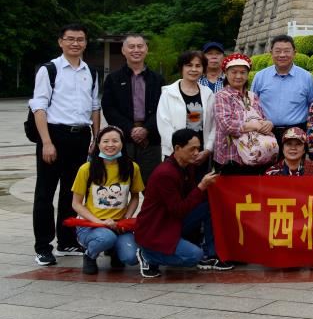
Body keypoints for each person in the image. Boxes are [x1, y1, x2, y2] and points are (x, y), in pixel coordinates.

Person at [135, 129, 229, 278]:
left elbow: (190, 199)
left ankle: (210, 254)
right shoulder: (165, 173)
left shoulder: (187, 166)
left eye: (198, 148)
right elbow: (178, 210)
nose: (196, 153)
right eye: (192, 149)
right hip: (158, 226)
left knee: (208, 207)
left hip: (174, 219)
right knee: (194, 256)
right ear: (177, 148)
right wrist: (201, 187)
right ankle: (148, 256)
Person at [71, 125, 143, 274]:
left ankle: (114, 249)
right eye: (105, 141)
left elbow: (135, 197)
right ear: (98, 144)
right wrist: (100, 222)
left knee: (131, 258)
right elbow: (76, 204)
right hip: (91, 225)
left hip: (119, 225)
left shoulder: (132, 167)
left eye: (115, 141)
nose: (110, 145)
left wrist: (126, 219)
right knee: (106, 238)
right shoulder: (86, 169)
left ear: (122, 143)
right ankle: (90, 254)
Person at [101, 33, 164, 182]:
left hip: (151, 139)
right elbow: (109, 109)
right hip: (122, 139)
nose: (136, 50)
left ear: (146, 49)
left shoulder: (157, 79)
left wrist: (146, 129)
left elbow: (163, 109)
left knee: (152, 184)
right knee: (120, 184)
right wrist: (130, 129)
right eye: (131, 47)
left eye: (140, 46)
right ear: (123, 51)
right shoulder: (113, 78)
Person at [212, 53, 274, 175]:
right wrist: (254, 126)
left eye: (243, 72)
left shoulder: (252, 96)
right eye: (234, 72)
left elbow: (261, 118)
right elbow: (226, 125)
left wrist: (268, 123)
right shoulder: (222, 96)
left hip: (255, 154)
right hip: (231, 156)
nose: (238, 76)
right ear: (226, 74)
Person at [250, 35, 313, 146]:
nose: (282, 55)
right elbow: (252, 105)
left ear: (294, 53)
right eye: (278, 51)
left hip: (296, 134)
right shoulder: (260, 76)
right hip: (266, 132)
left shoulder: (306, 77)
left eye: (286, 51)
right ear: (271, 53)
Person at [157, 51, 216, 162]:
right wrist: (182, 152)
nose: (194, 69)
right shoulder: (168, 93)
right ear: (181, 68)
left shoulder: (208, 94)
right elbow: (164, 126)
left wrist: (208, 149)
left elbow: (214, 125)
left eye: (198, 66)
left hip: (201, 156)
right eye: (189, 65)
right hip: (175, 155)